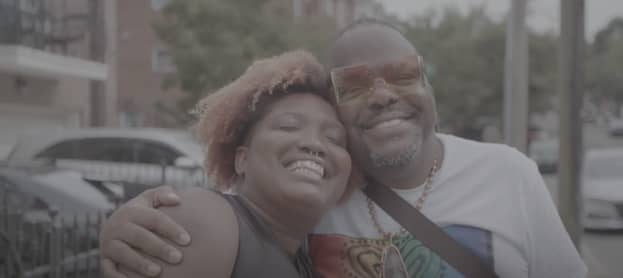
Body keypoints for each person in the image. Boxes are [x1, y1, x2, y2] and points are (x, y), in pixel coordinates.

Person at [100, 19, 587, 278]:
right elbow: (224, 217)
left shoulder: (507, 173)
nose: (382, 95)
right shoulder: (317, 198)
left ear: (428, 86)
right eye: (354, 86)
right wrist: (125, 226)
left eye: (402, 75)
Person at [100, 50, 353, 278]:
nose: (314, 144)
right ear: (241, 159)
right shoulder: (206, 221)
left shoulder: (311, 254)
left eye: (333, 138)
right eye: (289, 126)